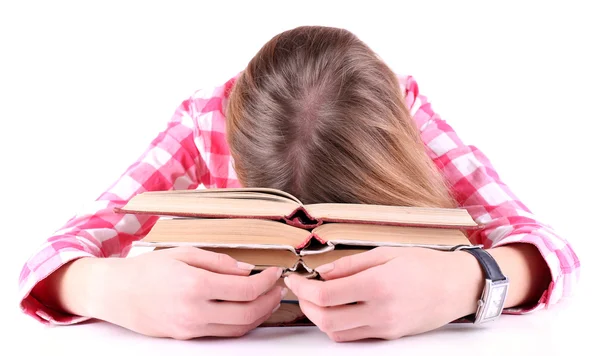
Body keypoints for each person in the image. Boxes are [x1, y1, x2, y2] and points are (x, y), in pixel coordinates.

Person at [18, 26, 579, 342]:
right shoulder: (202, 121)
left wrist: (468, 281)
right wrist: (107, 288)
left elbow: (549, 247)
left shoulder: (407, 114)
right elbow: (51, 255)